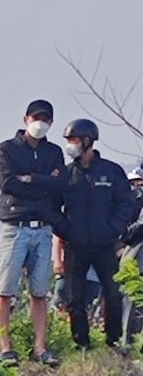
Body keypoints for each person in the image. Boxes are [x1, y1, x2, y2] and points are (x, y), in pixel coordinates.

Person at [0, 99, 67, 365]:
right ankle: (5, 347)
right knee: (5, 290)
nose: (40, 123)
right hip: (15, 227)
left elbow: (61, 184)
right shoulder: (6, 149)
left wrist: (32, 179)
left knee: (39, 291)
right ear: (25, 118)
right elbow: (9, 184)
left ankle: (40, 347)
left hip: (43, 228)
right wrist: (42, 186)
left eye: (46, 119)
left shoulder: (54, 152)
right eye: (36, 118)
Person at [58, 118, 139, 352]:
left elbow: (126, 204)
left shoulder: (112, 172)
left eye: (73, 140)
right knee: (75, 299)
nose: (70, 145)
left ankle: (113, 341)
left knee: (113, 293)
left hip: (105, 245)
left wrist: (114, 229)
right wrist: (65, 229)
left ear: (87, 141)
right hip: (75, 246)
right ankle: (81, 343)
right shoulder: (66, 174)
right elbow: (53, 207)